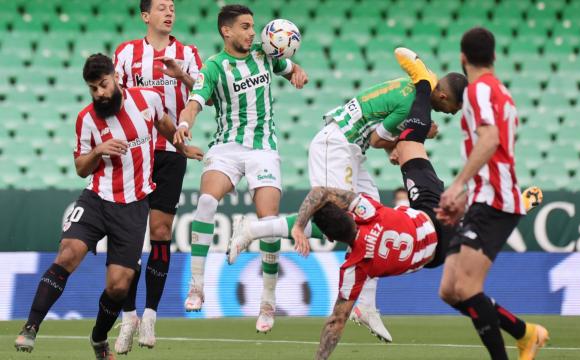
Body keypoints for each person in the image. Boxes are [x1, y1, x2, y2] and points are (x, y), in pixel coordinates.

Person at [227, 67, 467, 340]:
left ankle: (365, 306)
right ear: (444, 96)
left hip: (351, 148)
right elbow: (378, 139)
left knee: (374, 218)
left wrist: (395, 146)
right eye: (455, 107)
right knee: (336, 218)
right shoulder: (412, 102)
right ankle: (251, 229)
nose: (454, 113)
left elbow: (378, 131)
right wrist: (410, 138)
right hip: (337, 144)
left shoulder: (408, 88)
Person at [13, 54, 202, 359]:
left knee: (118, 286)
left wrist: (182, 147)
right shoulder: (87, 119)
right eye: (93, 88)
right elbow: (80, 168)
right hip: (97, 200)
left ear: (115, 77)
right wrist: (99, 150)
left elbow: (166, 126)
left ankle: (99, 339)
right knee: (68, 253)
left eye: (103, 84)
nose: (99, 93)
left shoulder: (148, 100)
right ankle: (31, 326)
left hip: (133, 208)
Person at [173, 4, 308, 333]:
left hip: (263, 148)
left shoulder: (266, 53)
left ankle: (267, 300)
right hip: (227, 146)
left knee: (269, 222)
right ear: (226, 31)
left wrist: (296, 73)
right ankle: (198, 285)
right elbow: (195, 102)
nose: (252, 32)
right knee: (206, 201)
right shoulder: (214, 68)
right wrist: (183, 122)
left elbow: (288, 65)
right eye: (245, 27)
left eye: (253, 27)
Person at [435, 28, 549, 360]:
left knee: (467, 288)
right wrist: (466, 196)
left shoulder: (477, 92)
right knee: (450, 291)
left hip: (496, 199)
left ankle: (514, 348)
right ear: (494, 57)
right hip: (486, 196)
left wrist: (456, 187)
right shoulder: (501, 92)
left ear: (462, 58)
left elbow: (490, 141)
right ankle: (525, 332)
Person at [112, 0, 204, 353]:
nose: (169, 13)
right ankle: (128, 317)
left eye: (173, 8)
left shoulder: (188, 52)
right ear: (145, 16)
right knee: (131, 237)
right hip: (135, 152)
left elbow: (203, 90)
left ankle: (150, 315)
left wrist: (180, 73)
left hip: (169, 152)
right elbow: (113, 95)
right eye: (162, 7)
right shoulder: (126, 53)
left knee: (161, 231)